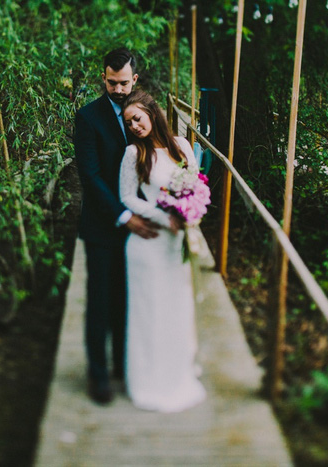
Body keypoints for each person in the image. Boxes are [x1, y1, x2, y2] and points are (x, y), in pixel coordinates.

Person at [74, 48, 159, 404]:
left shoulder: (143, 114)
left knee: (128, 298)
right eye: (112, 82)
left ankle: (124, 366)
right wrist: (125, 216)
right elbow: (90, 176)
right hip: (103, 224)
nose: (118, 89)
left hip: (142, 227)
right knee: (100, 301)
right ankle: (98, 376)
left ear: (134, 79)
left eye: (124, 83)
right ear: (103, 77)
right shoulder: (88, 117)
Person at [119, 90, 206, 413]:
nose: (135, 127)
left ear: (153, 114)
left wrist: (190, 212)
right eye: (129, 123)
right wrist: (163, 216)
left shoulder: (181, 147)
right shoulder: (133, 154)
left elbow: (196, 184)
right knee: (149, 311)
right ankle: (147, 380)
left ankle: (176, 373)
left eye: (138, 119)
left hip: (175, 245)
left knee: (176, 308)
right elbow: (127, 197)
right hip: (149, 243)